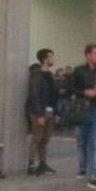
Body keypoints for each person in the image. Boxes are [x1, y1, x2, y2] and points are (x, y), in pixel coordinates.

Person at [70, 44, 96, 190]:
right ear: (88, 55)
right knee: (82, 141)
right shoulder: (78, 71)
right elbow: (70, 87)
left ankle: (93, 175)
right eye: (95, 53)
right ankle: (82, 167)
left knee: (93, 144)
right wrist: (85, 92)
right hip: (82, 110)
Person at [26, 48, 59, 176]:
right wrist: (39, 115)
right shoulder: (36, 74)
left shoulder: (50, 75)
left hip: (50, 111)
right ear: (45, 59)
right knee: (37, 137)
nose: (53, 59)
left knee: (45, 139)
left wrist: (56, 113)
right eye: (51, 57)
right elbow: (35, 95)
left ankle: (43, 164)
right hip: (38, 111)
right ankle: (31, 164)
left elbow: (53, 95)